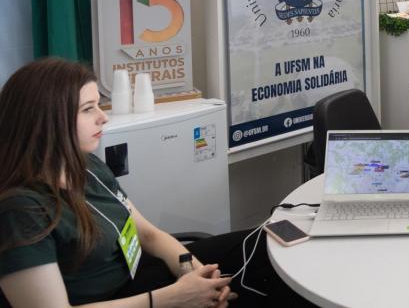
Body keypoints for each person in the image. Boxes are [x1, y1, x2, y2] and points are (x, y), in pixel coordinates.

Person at [0, 58, 313, 308]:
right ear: (46, 120)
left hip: (142, 276)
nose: (103, 117)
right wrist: (175, 297)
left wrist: (194, 273)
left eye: (98, 104)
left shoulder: (86, 166)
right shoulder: (21, 211)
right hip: (126, 299)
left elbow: (147, 233)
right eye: (87, 109)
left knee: (269, 248)